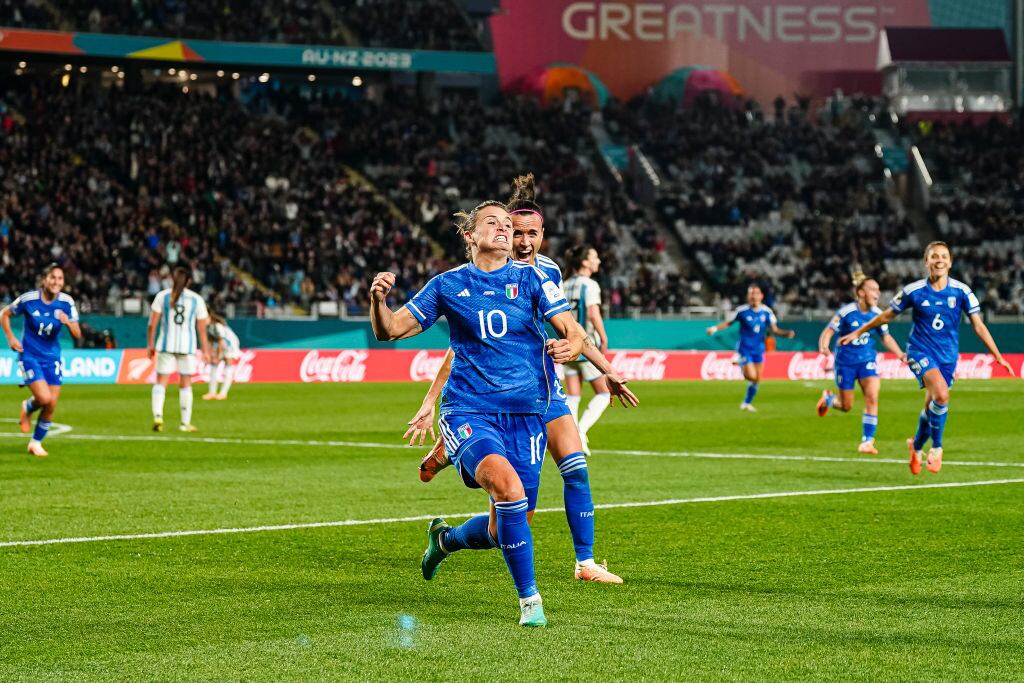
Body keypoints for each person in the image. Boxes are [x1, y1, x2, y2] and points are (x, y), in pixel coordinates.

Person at [405, 174, 638, 586]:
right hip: (494, 396)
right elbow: (460, 349)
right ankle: (448, 534)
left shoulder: (546, 272)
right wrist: (430, 399)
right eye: (517, 232)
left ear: (541, 235)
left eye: (532, 233)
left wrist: (609, 370)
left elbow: (573, 331)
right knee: (505, 525)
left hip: (544, 388)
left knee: (576, 468)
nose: (523, 241)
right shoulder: (475, 280)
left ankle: (585, 562)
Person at [370, 200, 585, 627]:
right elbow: (389, 329)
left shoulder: (534, 280)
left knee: (502, 527)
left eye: (509, 224)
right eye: (494, 223)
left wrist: (571, 346)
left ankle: (445, 540)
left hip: (527, 415)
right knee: (508, 490)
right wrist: (378, 300)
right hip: (469, 409)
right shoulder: (447, 285)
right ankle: (531, 604)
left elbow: (573, 330)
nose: (505, 229)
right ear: (470, 235)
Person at [840, 242, 1014, 474]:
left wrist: (998, 356)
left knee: (931, 406)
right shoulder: (914, 291)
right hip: (919, 351)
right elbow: (885, 317)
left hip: (947, 357)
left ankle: (917, 446)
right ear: (926, 262)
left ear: (950, 262)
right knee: (941, 395)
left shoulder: (962, 291)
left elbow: (978, 325)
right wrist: (857, 331)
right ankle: (937, 447)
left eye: (944, 256)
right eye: (934, 256)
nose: (939, 260)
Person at [816, 272, 906, 454]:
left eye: (878, 290)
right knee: (846, 406)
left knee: (872, 397)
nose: (877, 293)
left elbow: (886, 337)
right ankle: (828, 399)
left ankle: (867, 442)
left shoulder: (878, 314)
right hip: (845, 363)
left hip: (867, 361)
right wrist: (824, 346)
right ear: (861, 293)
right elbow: (828, 331)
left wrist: (900, 355)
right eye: (873, 289)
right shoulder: (846, 312)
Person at [1, 264, 81, 456]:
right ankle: (28, 406)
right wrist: (11, 338)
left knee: (51, 403)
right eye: (53, 277)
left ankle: (35, 443)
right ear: (44, 279)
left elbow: (77, 334)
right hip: (29, 355)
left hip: (52, 358)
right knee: (44, 398)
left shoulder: (66, 302)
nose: (56, 282)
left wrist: (68, 322)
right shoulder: (29, 299)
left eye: (60, 279)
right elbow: (5, 314)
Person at [706, 284, 796, 412]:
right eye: (751, 294)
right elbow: (728, 323)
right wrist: (714, 328)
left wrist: (786, 333)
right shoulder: (742, 311)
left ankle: (746, 403)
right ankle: (741, 362)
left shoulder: (767, 312)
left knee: (757, 379)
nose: (754, 296)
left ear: (761, 296)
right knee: (752, 376)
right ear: (748, 297)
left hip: (759, 349)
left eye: (756, 293)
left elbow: (774, 329)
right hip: (745, 348)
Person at [146, 265, 212, 432]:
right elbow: (202, 330)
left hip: (165, 345)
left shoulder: (162, 296)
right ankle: (184, 423)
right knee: (185, 384)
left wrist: (150, 344)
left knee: (161, 382)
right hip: (187, 347)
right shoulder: (196, 299)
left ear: (172, 280)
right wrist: (205, 351)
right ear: (189, 281)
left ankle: (158, 416)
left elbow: (152, 324)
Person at [561, 244, 612, 453]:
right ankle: (581, 432)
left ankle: (571, 437)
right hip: (585, 344)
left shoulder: (564, 284)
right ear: (584, 262)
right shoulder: (590, 285)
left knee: (573, 395)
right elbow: (593, 313)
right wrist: (603, 336)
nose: (598, 261)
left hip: (567, 344)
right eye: (595, 257)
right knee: (604, 393)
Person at [204, 311, 241, 401]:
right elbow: (211, 342)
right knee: (213, 366)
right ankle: (212, 392)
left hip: (230, 346)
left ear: (210, 317)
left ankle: (223, 393)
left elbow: (221, 341)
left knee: (228, 366)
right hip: (221, 346)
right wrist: (210, 354)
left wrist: (218, 355)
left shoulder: (217, 326)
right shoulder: (208, 327)